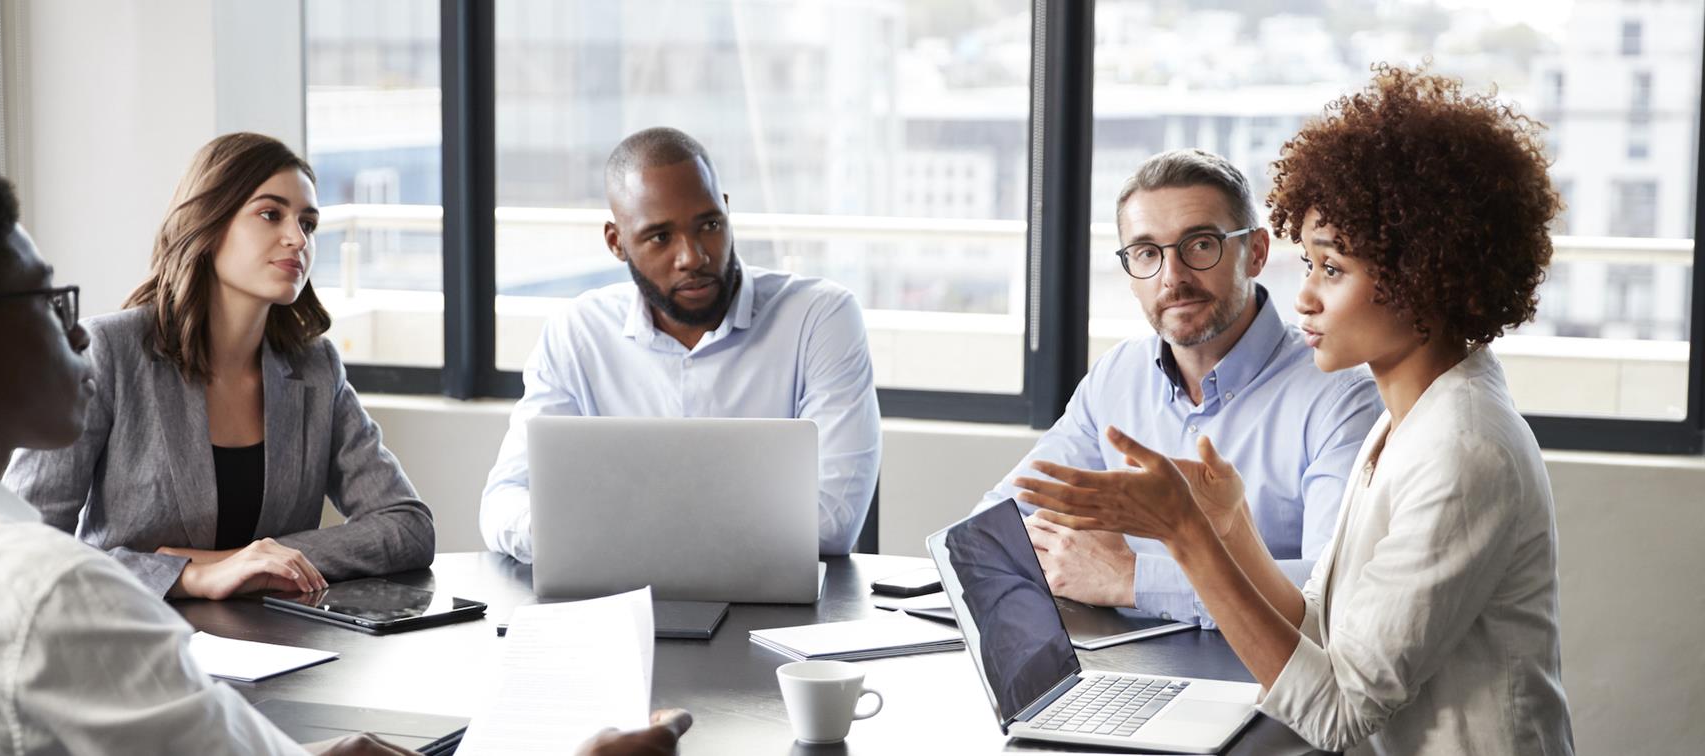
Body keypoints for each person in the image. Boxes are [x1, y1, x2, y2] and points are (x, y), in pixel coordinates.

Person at [0, 165, 690, 755]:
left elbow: (405, 524)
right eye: (45, 299)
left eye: (308, 220)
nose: (71, 325)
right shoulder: (53, 596)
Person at [1016, 64, 1573, 754]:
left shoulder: (1463, 449)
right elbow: (1325, 624)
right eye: (1308, 264)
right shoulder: (1408, 419)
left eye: (1332, 269)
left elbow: (1340, 715)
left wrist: (1189, 537)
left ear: (1427, 277)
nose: (1304, 298)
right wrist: (1233, 528)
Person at [6, 133, 435, 599]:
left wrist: (249, 560)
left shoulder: (315, 367)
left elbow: (407, 527)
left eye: (308, 223)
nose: (297, 239)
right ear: (208, 223)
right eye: (271, 215)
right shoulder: (109, 351)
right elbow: (23, 547)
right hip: (134, 641)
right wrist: (190, 575)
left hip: (283, 649)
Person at [976, 149, 1381, 626]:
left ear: (1255, 253)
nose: (1173, 277)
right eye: (1147, 253)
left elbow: (1330, 593)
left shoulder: (1341, 396)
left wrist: (1131, 579)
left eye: (1200, 244)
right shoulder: (1117, 377)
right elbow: (994, 527)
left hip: (1268, 686)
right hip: (1123, 671)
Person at [479, 127, 882, 562]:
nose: (692, 256)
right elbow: (504, 502)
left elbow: (832, 521)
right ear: (617, 243)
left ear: (726, 212)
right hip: (618, 606)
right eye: (660, 237)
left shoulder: (819, 317)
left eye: (708, 225)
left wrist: (602, 534)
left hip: (776, 617)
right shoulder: (577, 333)